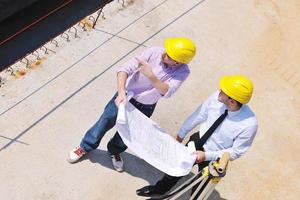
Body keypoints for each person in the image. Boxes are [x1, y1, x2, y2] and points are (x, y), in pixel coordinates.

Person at [67, 38, 197, 172]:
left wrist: (151, 75)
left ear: (178, 62)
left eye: (169, 56)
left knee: (129, 133)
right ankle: (85, 146)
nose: (164, 54)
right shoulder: (153, 52)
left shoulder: (183, 72)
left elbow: (167, 91)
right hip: (126, 96)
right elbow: (124, 69)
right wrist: (121, 92)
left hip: (146, 106)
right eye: (167, 50)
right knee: (104, 121)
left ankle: (114, 150)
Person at [136, 75, 258, 197]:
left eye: (223, 91)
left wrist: (206, 156)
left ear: (232, 101)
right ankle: (159, 189)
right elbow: (199, 114)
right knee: (177, 167)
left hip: (215, 156)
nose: (219, 91)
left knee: (201, 187)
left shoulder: (248, 125)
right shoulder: (217, 97)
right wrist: (180, 135)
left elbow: (237, 151)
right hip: (198, 140)